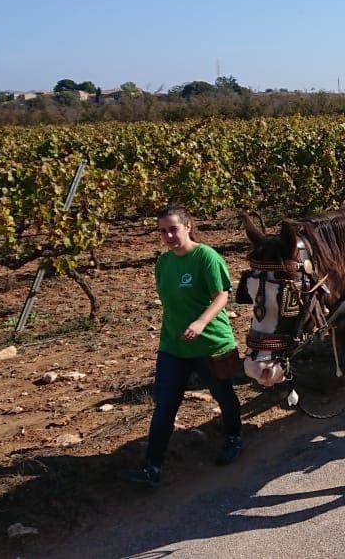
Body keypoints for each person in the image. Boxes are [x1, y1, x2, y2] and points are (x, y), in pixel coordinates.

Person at [122, 204, 243, 488]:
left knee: (223, 395)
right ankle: (152, 467)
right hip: (173, 347)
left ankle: (234, 438)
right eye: (163, 231)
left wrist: (201, 322)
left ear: (188, 226)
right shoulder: (163, 264)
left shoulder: (206, 257)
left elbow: (221, 295)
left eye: (173, 229)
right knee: (164, 406)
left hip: (211, 342)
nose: (168, 236)